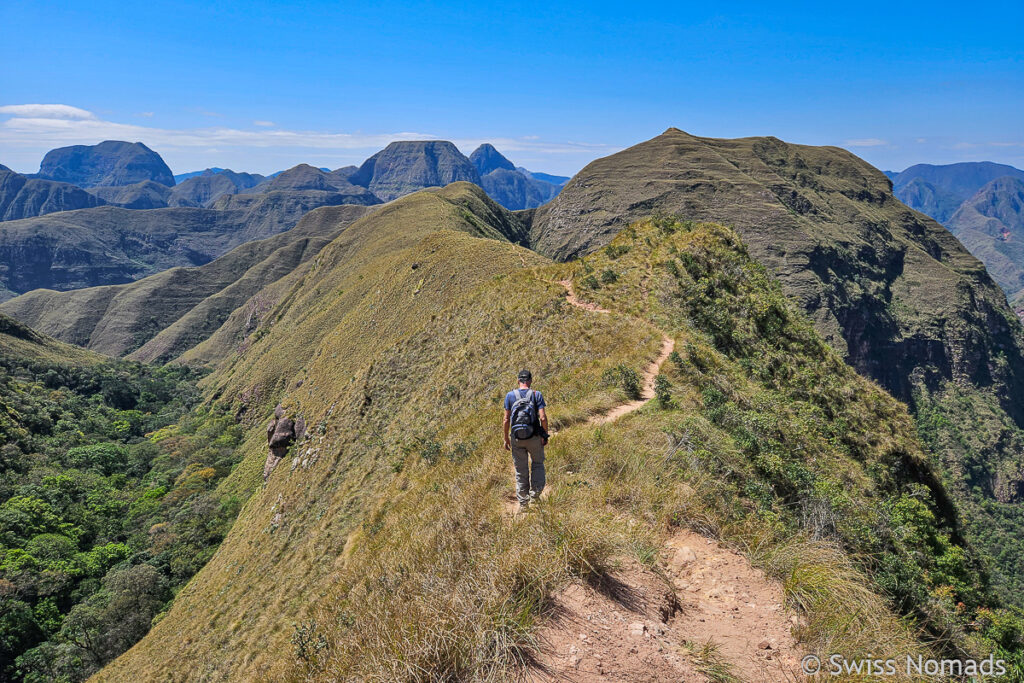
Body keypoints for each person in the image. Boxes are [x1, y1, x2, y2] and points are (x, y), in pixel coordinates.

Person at [503, 369, 549, 509]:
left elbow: (506, 420)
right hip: (534, 436)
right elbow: (543, 418)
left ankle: (523, 504)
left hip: (516, 438)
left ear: (518, 381)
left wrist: (506, 439)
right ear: (530, 381)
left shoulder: (510, 396)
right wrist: (544, 435)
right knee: (537, 464)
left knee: (521, 470)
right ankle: (535, 496)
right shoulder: (536, 395)